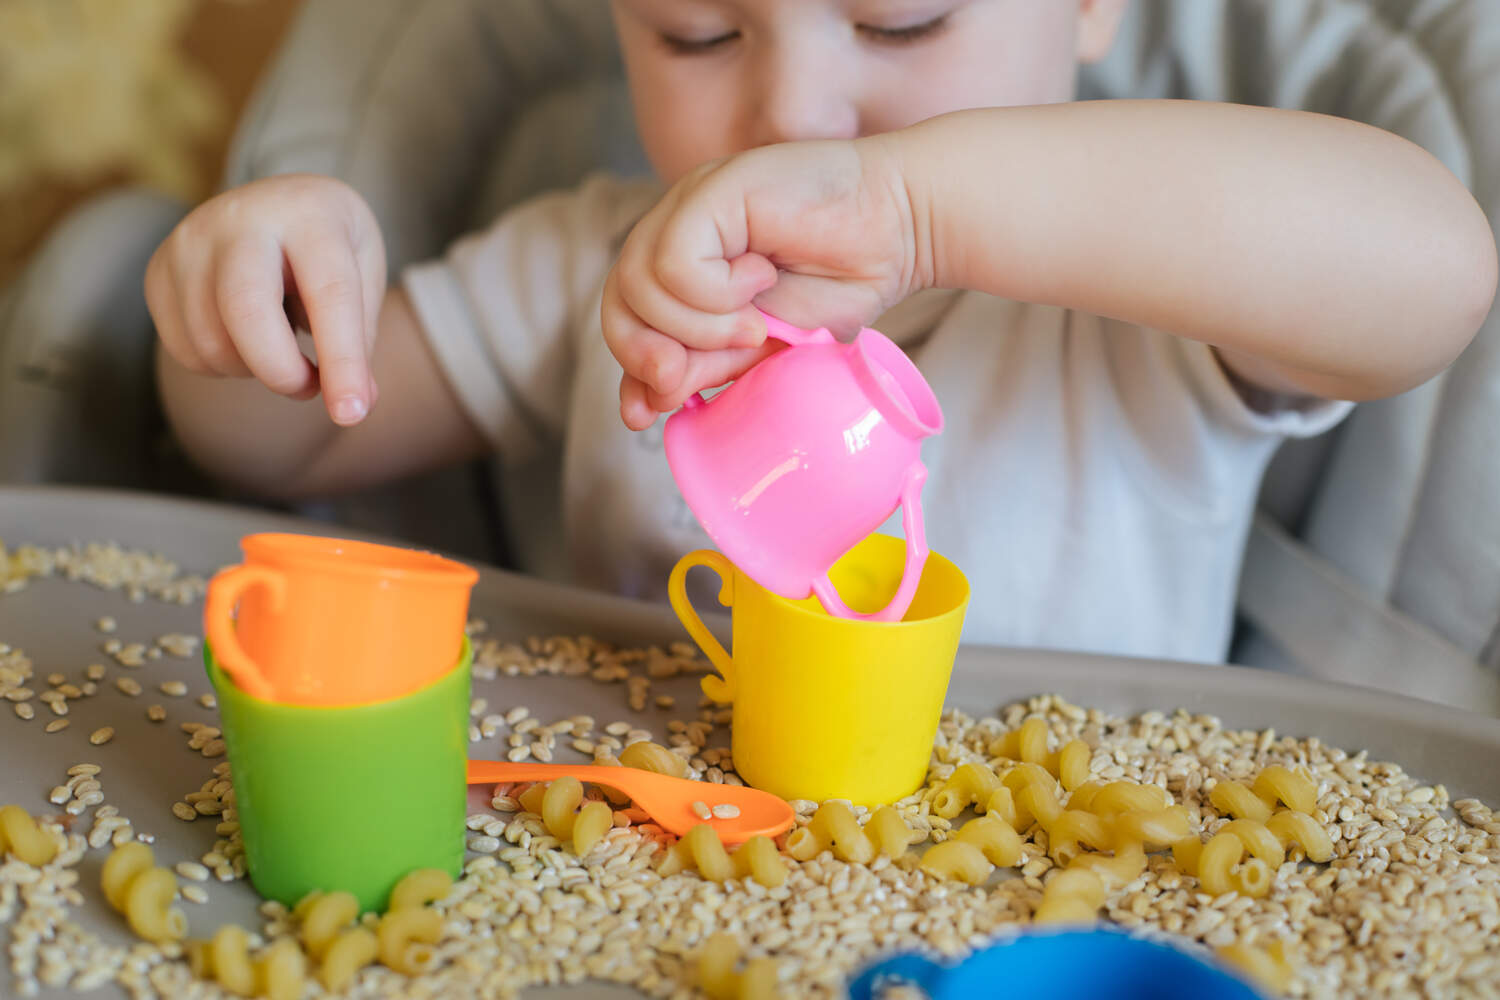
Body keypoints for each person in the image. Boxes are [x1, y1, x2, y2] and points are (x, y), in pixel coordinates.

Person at [144, 0, 1497, 662]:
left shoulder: (1141, 292)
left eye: (899, 14)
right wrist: (260, 299)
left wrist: (914, 214)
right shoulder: (611, 264)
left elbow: (1437, 272)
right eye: (699, 31)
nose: (795, 110)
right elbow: (285, 449)